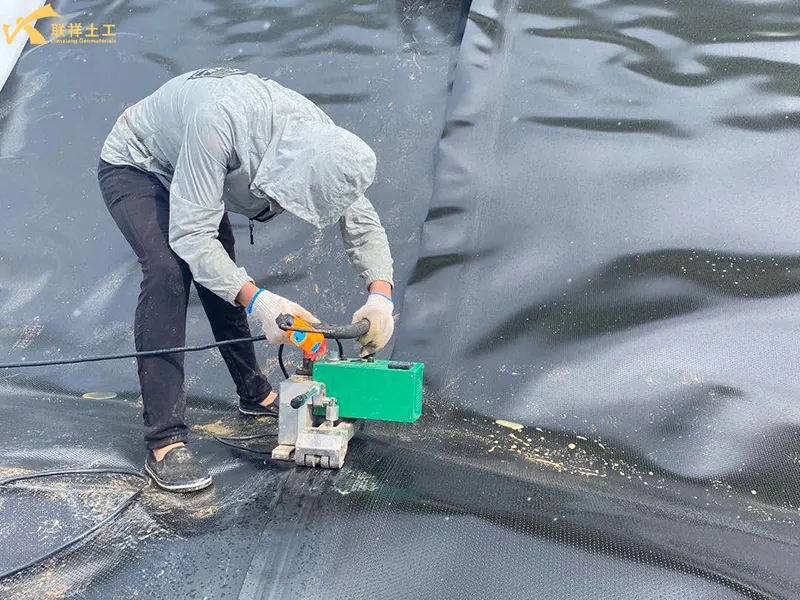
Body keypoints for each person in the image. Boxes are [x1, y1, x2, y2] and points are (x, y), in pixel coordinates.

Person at [97, 67, 395, 493]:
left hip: (199, 166)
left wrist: (380, 298)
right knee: (169, 272)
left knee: (224, 275)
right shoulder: (218, 123)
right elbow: (192, 237)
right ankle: (164, 440)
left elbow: (361, 221)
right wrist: (265, 305)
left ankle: (255, 394)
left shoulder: (322, 143)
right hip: (140, 164)